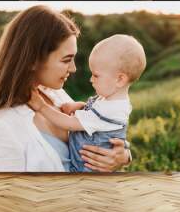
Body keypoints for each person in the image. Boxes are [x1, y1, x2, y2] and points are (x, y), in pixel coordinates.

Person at [0, 5, 132, 172]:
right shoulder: (0, 129)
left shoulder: (56, 94)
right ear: (32, 59)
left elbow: (100, 131)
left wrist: (123, 156)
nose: (73, 68)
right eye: (66, 60)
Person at [29, 34, 146, 172]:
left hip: (84, 169)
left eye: (96, 75)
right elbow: (95, 115)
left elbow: (71, 124)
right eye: (66, 60)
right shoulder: (111, 101)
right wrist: (81, 106)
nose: (91, 79)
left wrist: (42, 106)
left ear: (120, 80)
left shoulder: (109, 111)